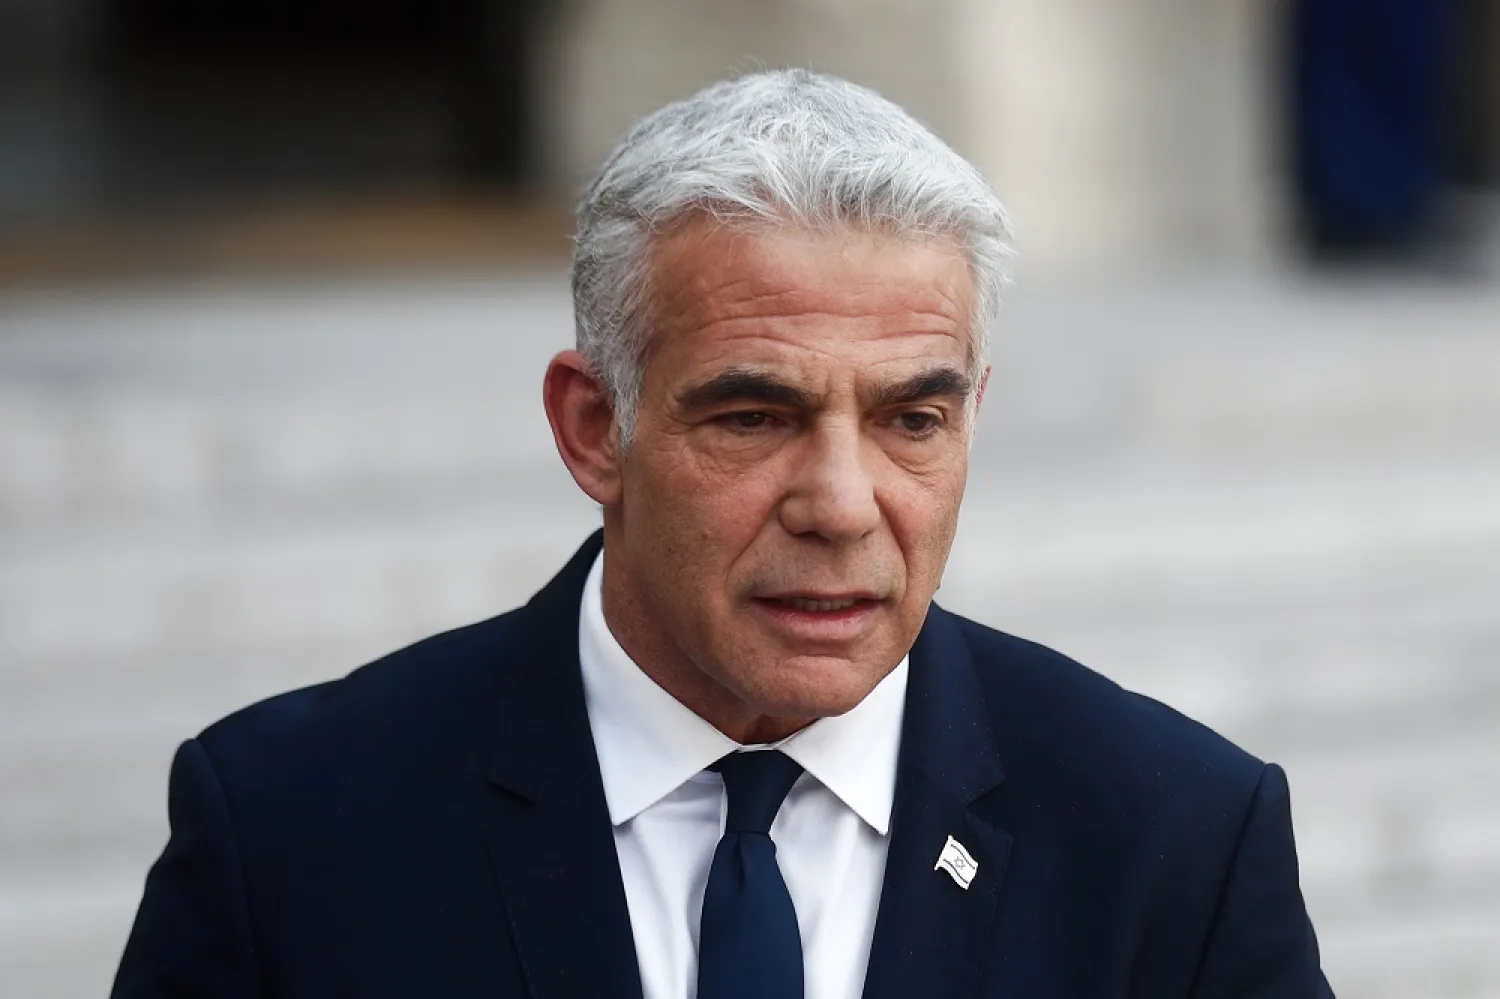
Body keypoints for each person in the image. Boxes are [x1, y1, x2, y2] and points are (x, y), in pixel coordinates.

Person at [112, 70, 1334, 998]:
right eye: (756, 416)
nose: (844, 505)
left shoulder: (1176, 839)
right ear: (595, 429)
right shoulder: (291, 832)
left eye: (914, 417)